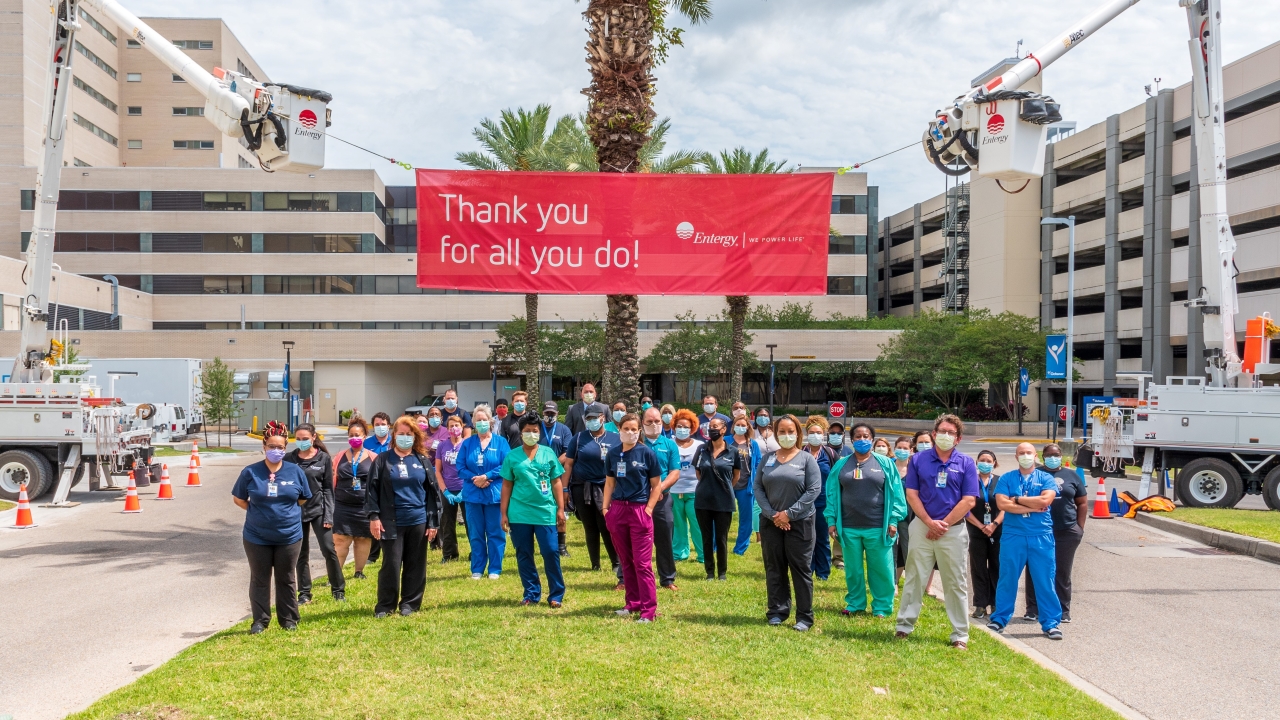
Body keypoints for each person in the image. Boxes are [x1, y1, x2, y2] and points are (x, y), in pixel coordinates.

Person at [895, 415, 979, 649]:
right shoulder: (918, 460)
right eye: (942, 431)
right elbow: (912, 494)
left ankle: (960, 634)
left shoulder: (966, 463)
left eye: (951, 433)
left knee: (956, 582)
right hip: (922, 527)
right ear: (934, 434)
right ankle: (904, 625)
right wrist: (929, 521)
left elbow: (969, 500)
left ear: (958, 438)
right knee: (914, 577)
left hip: (953, 531)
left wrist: (942, 524)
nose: (945, 435)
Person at [232, 421, 311, 634]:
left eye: (281, 447)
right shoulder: (251, 472)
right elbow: (238, 498)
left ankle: (289, 620)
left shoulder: (295, 471)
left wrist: (284, 512)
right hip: (257, 536)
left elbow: (303, 498)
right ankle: (260, 621)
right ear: (264, 446)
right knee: (260, 578)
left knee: (286, 578)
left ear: (286, 448)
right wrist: (257, 510)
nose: (276, 451)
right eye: (272, 447)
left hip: (289, 535)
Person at [825, 423, 907, 618]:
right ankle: (855, 603)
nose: (862, 440)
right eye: (858, 436)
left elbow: (897, 494)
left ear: (872, 439)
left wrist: (893, 520)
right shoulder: (841, 464)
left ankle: (881, 607)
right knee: (853, 570)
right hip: (848, 527)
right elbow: (831, 493)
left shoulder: (885, 464)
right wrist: (831, 520)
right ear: (851, 440)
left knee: (881, 570)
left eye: (866, 436)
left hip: (878, 527)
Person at [366, 416, 440, 618]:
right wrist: (374, 516)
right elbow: (371, 490)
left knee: (415, 564)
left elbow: (432, 493)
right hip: (391, 521)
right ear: (394, 435)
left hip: (418, 520)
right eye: (401, 434)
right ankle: (385, 605)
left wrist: (433, 521)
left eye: (409, 434)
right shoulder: (383, 460)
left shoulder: (422, 460)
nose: (405, 438)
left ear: (415, 436)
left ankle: (410, 604)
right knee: (390, 564)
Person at [988, 442, 1063, 640]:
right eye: (1021, 453)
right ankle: (1000, 619)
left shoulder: (1046, 477)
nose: (1025, 456)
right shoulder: (1007, 478)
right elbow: (1002, 504)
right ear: (1016, 456)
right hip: (1014, 536)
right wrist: (1031, 505)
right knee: (1007, 579)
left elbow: (1045, 501)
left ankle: (1050, 623)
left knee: (1044, 580)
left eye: (1029, 452)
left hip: (1041, 536)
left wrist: (1017, 500)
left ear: (1035, 455)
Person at [755, 414, 821, 631]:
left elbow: (813, 490)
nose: (786, 435)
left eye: (790, 431)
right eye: (781, 432)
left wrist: (789, 514)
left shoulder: (806, 459)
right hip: (771, 522)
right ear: (775, 433)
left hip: (799, 523)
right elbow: (758, 488)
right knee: (774, 567)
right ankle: (777, 611)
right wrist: (773, 514)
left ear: (798, 433)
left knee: (800, 569)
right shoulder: (768, 459)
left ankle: (804, 617)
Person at [500, 414, 568, 607]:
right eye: (527, 431)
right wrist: (503, 513)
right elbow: (506, 486)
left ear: (540, 432)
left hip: (545, 511)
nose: (531, 434)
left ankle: (556, 594)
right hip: (519, 513)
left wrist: (560, 509)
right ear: (521, 433)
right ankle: (531, 593)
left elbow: (556, 482)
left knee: (550, 551)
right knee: (524, 553)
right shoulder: (512, 456)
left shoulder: (548, 453)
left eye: (535, 431)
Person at [603, 414, 663, 622]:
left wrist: (648, 510)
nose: (630, 432)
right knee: (626, 561)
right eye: (626, 428)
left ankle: (649, 611)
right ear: (619, 430)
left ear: (639, 431)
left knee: (642, 563)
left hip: (639, 510)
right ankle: (633, 603)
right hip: (618, 510)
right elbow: (609, 483)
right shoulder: (612, 454)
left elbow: (657, 486)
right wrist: (605, 508)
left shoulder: (646, 453)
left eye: (634, 429)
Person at [1024, 443, 1088, 624]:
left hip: (1066, 531)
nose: (1053, 458)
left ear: (1061, 456)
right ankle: (1032, 608)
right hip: (1038, 530)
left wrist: (1079, 528)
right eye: (1049, 455)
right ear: (1042, 457)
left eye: (1056, 454)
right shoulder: (1035, 474)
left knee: (1062, 571)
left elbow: (1082, 503)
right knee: (1035, 569)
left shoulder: (1071, 475)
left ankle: (1063, 610)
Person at [562, 402, 621, 581]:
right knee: (590, 526)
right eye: (588, 419)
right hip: (582, 488)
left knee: (607, 525)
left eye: (595, 418)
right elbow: (569, 464)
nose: (592, 421)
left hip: (606, 487)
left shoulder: (615, 438)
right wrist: (565, 489)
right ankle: (595, 563)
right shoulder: (578, 438)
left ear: (603, 418)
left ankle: (616, 562)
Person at [285, 424, 343, 604]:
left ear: (313, 437)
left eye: (305, 438)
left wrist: (328, 516)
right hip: (296, 513)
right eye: (298, 439)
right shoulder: (289, 458)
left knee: (328, 549)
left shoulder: (323, 458)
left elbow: (328, 489)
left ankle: (338, 589)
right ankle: (304, 593)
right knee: (301, 554)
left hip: (318, 510)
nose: (301, 442)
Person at [457, 405, 511, 579]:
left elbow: (506, 465)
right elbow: (460, 467)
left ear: (490, 421)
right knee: (476, 533)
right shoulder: (467, 443)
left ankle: (495, 568)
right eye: (477, 420)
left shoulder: (501, 442)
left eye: (484, 419)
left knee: (496, 532)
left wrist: (487, 475)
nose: (481, 423)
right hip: (473, 495)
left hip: (494, 494)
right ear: (473, 423)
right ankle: (477, 568)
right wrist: (476, 478)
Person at [693, 417, 742, 581]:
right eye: (709, 427)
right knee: (706, 538)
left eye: (715, 426)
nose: (711, 429)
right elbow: (698, 472)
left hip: (724, 501)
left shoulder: (733, 451)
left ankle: (722, 572)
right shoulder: (701, 449)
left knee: (721, 538)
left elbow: (736, 476)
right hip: (703, 501)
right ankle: (709, 572)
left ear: (723, 430)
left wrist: (725, 488)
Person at [642, 406, 682, 591]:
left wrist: (659, 489)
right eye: (649, 422)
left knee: (665, 537)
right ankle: (625, 578)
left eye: (657, 421)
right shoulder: (637, 443)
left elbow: (675, 472)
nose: (654, 424)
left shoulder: (670, 444)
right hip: (638, 499)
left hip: (662, 500)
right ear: (642, 423)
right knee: (634, 539)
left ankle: (667, 579)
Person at [333, 419, 375, 579]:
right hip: (342, 505)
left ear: (364, 436)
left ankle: (359, 571)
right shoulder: (340, 456)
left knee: (363, 539)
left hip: (364, 506)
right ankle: (336, 575)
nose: (354, 438)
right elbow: (333, 479)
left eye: (357, 435)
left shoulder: (373, 457)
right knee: (339, 540)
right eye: (351, 435)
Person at [966, 449, 1002, 620]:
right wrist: (981, 525)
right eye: (982, 460)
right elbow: (965, 507)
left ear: (994, 463)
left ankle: (996, 603)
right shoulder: (970, 481)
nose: (985, 463)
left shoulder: (1000, 481)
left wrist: (994, 524)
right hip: (976, 531)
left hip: (997, 532)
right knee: (978, 568)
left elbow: (1005, 507)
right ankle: (980, 604)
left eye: (989, 460)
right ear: (976, 462)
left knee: (997, 567)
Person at [538, 401, 575, 556]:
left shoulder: (564, 430)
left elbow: (568, 452)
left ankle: (561, 546)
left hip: (558, 476)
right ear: (542, 414)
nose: (549, 417)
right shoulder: (537, 428)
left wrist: (552, 464)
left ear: (557, 414)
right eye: (547, 414)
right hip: (538, 476)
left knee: (560, 510)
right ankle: (543, 543)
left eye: (552, 414)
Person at [804, 415, 837, 581]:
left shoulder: (830, 454)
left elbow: (838, 478)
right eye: (812, 432)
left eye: (818, 432)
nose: (815, 435)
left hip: (824, 504)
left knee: (822, 538)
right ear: (806, 434)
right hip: (804, 504)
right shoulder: (801, 453)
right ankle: (808, 570)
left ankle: (823, 573)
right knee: (806, 538)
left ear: (824, 434)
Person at [669, 409, 704, 564]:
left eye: (686, 427)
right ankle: (679, 553)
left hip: (694, 490)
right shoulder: (668, 443)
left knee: (697, 524)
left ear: (692, 428)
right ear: (674, 426)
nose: (682, 429)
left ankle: (703, 554)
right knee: (678, 524)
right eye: (679, 426)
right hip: (673, 490)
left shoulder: (700, 445)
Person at [433, 414, 467, 563]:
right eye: (451, 426)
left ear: (462, 427)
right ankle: (449, 554)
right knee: (447, 524)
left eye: (457, 425)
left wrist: (464, 490)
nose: (454, 428)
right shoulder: (442, 446)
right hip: (447, 490)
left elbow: (471, 468)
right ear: (447, 429)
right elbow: (438, 471)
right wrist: (445, 490)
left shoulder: (467, 444)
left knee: (470, 523)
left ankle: (476, 552)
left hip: (465, 489)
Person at [893, 434, 926, 582]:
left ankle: (912, 583)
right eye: (899, 448)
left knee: (909, 549)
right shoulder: (888, 466)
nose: (902, 450)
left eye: (905, 448)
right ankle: (892, 583)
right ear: (894, 449)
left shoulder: (915, 469)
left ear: (911, 450)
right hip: (890, 515)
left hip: (909, 515)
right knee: (890, 549)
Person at [729, 414, 762, 556]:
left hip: (746, 487)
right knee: (722, 518)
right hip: (727, 486)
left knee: (746, 519)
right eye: (738, 424)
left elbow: (758, 464)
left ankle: (740, 548)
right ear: (733, 426)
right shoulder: (726, 441)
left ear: (748, 427)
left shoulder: (752, 444)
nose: (741, 427)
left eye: (744, 425)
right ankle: (716, 546)